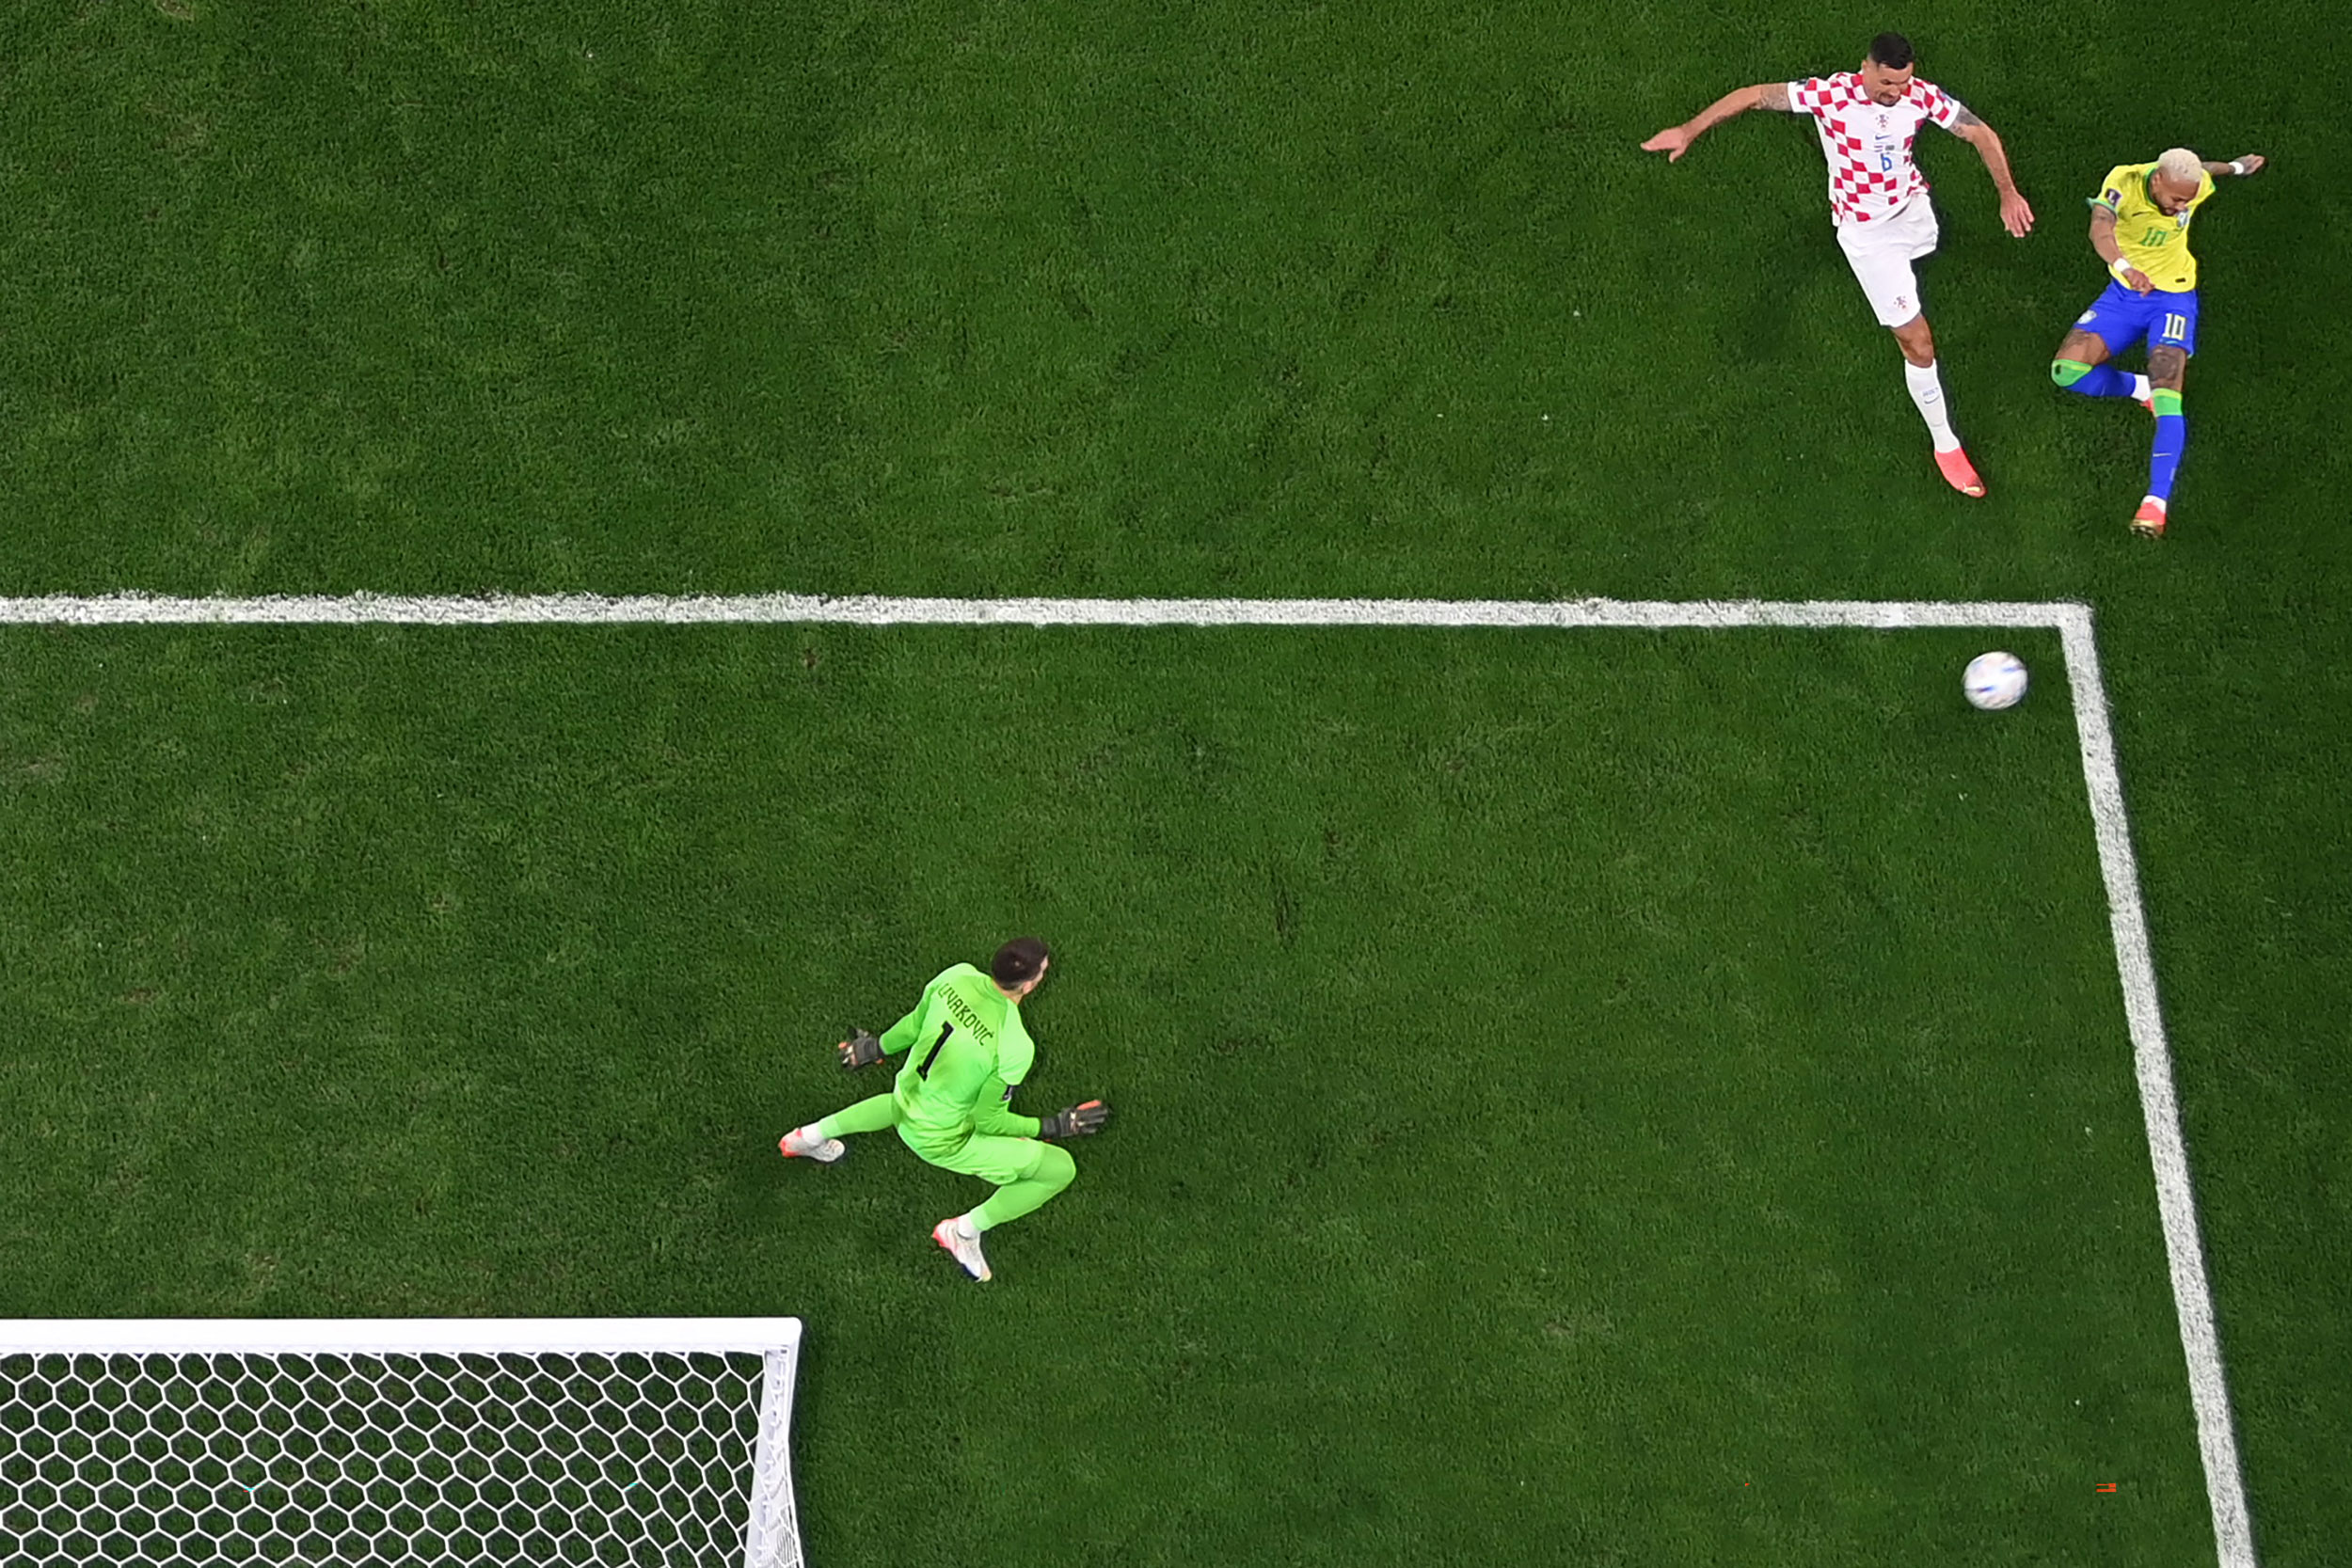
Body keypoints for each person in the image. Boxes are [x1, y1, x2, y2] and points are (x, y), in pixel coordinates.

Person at [1642, 32, 2034, 498]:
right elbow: (1755, 96)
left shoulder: (1919, 95)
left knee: (1926, 245)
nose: (1895, 94)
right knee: (1917, 343)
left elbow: (1980, 132)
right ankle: (1945, 445)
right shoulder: (1831, 95)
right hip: (1868, 237)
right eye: (1887, 84)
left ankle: (1907, 266)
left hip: (1912, 210)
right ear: (1865, 68)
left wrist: (2008, 193)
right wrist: (1689, 130)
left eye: (1902, 84)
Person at [778, 937, 1108, 1282]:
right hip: (941, 1140)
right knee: (1058, 1169)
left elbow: (913, 1025)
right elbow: (988, 1120)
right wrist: (1055, 1126)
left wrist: (874, 1047)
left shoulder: (956, 976)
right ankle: (963, 1232)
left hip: (905, 1097)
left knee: (902, 1102)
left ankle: (807, 1137)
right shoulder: (1014, 1045)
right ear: (1031, 984)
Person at [2048, 148, 2265, 537]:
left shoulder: (2190, 182)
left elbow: (2205, 170)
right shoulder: (2125, 181)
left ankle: (2156, 503)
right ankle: (2140, 388)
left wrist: (2236, 167)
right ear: (2158, 179)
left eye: (2188, 199)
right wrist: (2125, 268)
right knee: (2066, 372)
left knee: (2170, 393)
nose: (2182, 206)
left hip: (2174, 297)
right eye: (2176, 199)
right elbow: (2100, 227)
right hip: (2125, 291)